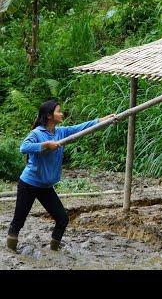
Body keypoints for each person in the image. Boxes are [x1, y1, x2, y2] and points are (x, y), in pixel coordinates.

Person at [6, 100, 115, 252]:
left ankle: (54, 250)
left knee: (62, 219)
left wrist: (104, 120)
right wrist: (45, 145)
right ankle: (11, 251)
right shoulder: (37, 133)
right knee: (18, 221)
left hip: (46, 187)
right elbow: (23, 147)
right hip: (29, 184)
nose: (62, 113)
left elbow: (81, 127)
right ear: (49, 116)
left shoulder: (60, 132)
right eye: (59, 111)